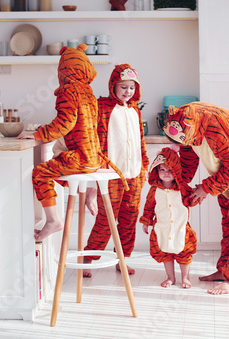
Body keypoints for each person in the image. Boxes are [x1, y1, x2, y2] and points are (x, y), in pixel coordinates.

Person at [16, 45, 127, 241]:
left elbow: (64, 124)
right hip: (95, 159)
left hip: (80, 158)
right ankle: (90, 190)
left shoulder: (68, 91)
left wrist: (37, 135)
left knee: (40, 173)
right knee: (61, 171)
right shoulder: (89, 93)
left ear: (64, 70)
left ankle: (53, 220)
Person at [163, 102, 229, 295]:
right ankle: (223, 271)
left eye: (180, 143)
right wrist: (179, 187)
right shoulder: (187, 127)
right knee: (228, 224)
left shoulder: (219, 127)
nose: (178, 147)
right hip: (226, 172)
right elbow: (188, 161)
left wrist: (205, 189)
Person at [82, 64, 150, 276]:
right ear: (113, 85)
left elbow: (141, 140)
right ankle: (88, 258)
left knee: (130, 219)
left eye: (131, 87)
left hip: (135, 173)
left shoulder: (135, 110)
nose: (128, 91)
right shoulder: (102, 107)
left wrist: (145, 164)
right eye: (123, 86)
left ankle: (123, 259)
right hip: (110, 173)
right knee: (106, 218)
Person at [140, 147, 198, 288]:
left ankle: (185, 278)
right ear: (156, 171)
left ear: (176, 170)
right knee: (165, 252)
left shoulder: (182, 188)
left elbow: (192, 199)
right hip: (162, 228)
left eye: (170, 170)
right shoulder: (154, 189)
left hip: (181, 228)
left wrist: (197, 195)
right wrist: (146, 222)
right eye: (162, 170)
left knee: (183, 254)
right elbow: (149, 206)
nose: (166, 173)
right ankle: (171, 278)